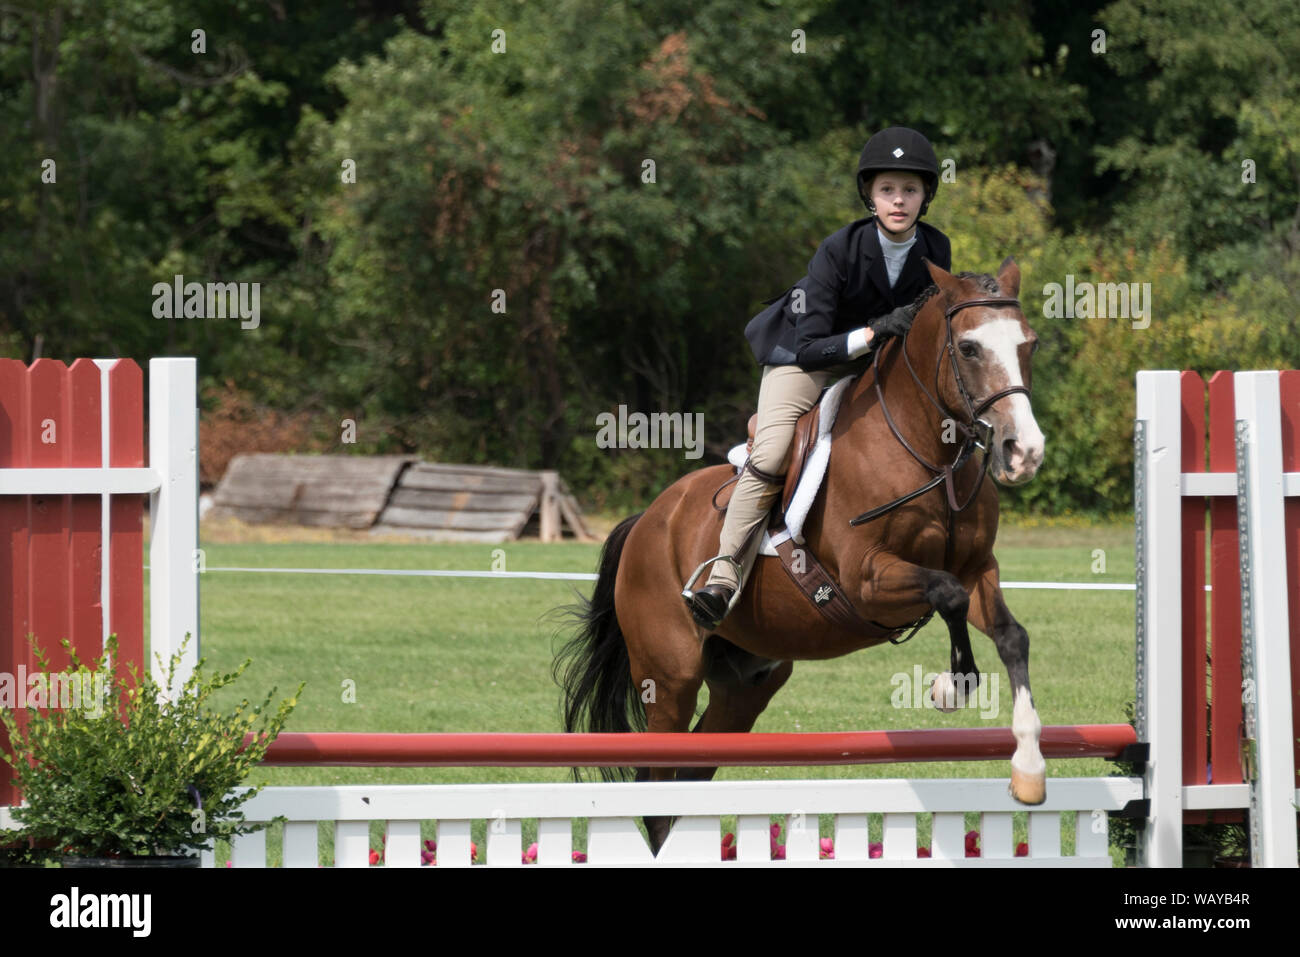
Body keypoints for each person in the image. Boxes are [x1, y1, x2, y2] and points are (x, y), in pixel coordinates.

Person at [683, 126, 953, 629]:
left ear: (925, 197)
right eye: (888, 190)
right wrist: (873, 333)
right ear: (869, 197)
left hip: (879, 360)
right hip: (805, 355)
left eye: (910, 190)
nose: (899, 200)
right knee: (771, 451)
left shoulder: (936, 247)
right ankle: (722, 575)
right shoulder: (839, 249)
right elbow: (810, 347)